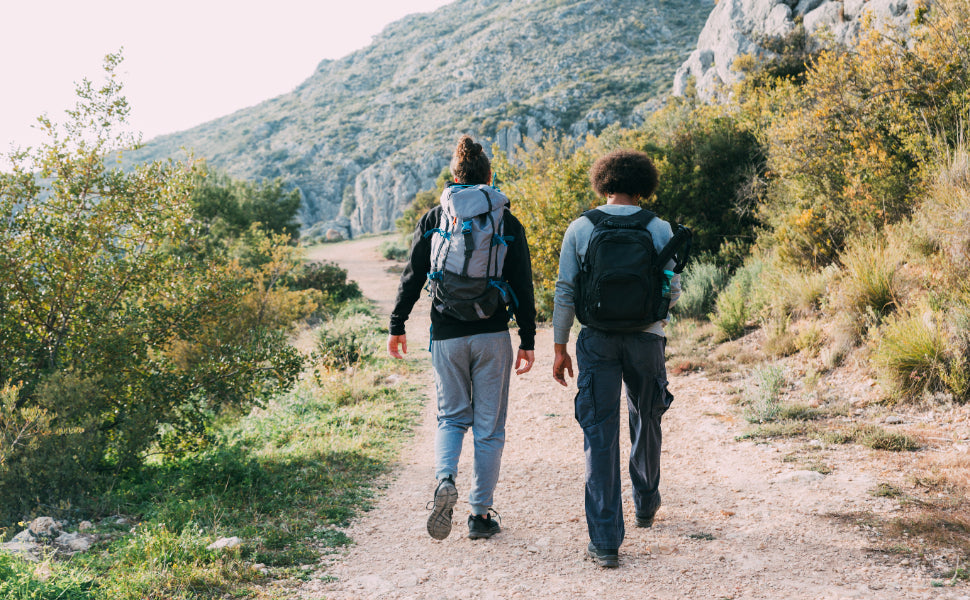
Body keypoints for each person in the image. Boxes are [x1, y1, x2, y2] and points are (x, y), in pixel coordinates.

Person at [388, 135, 537, 541]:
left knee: (451, 417)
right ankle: (479, 515)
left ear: (455, 178)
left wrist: (398, 324)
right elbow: (522, 283)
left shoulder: (436, 217)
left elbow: (413, 275)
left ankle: (444, 480)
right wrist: (527, 338)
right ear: (489, 177)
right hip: (492, 334)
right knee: (489, 428)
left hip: (447, 335)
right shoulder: (505, 220)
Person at [551, 149, 681, 568]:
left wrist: (560, 346)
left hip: (597, 341)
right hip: (646, 340)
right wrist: (650, 315)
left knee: (600, 433)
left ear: (603, 183)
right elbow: (674, 290)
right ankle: (646, 500)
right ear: (643, 185)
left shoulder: (581, 227)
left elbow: (565, 291)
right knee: (647, 418)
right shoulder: (659, 228)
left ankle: (606, 542)